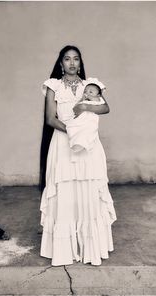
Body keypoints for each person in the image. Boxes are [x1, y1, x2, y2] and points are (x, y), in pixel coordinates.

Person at [40, 45, 116, 266]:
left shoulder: (89, 85)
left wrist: (85, 108)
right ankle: (64, 250)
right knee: (65, 193)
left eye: (76, 59)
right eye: (67, 59)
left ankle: (89, 248)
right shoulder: (52, 86)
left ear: (80, 63)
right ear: (61, 63)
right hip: (63, 143)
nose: (72, 63)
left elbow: (105, 108)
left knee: (89, 192)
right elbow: (50, 119)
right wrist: (73, 132)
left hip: (89, 146)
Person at [66, 81, 106, 157]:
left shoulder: (98, 100)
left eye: (91, 92)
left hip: (90, 119)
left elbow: (99, 104)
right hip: (81, 118)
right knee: (73, 128)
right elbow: (76, 107)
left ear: (98, 95)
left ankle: (82, 144)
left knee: (88, 130)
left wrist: (89, 97)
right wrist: (82, 100)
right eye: (85, 91)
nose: (87, 93)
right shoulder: (84, 100)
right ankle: (76, 143)